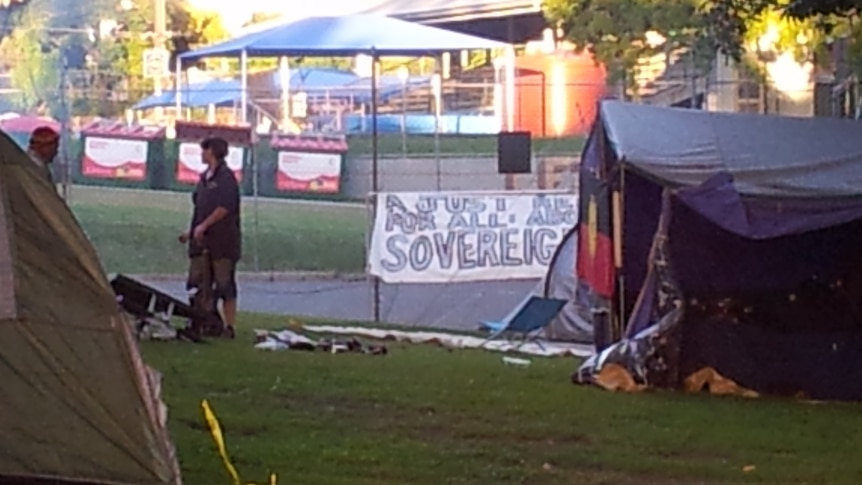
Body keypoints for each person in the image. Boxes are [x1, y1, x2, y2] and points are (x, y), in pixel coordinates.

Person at [179, 136, 241, 338]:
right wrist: (191, 232)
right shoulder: (204, 178)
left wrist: (205, 226)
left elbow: (224, 207)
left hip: (222, 241)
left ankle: (229, 327)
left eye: (204, 150)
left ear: (212, 152)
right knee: (197, 282)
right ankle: (205, 321)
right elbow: (200, 208)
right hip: (200, 241)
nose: (201, 154)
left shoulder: (226, 178)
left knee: (224, 284)